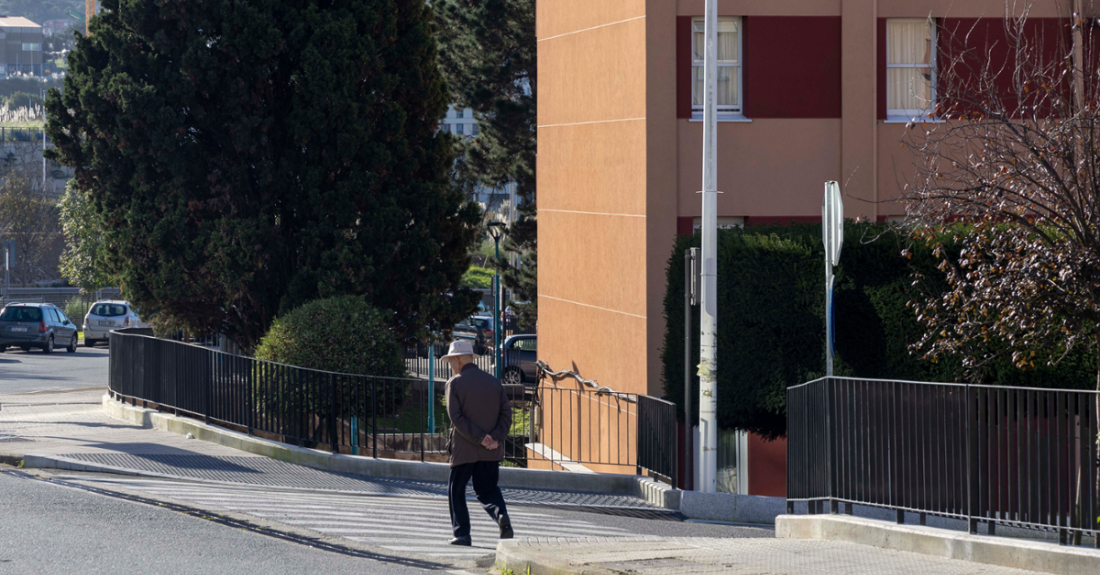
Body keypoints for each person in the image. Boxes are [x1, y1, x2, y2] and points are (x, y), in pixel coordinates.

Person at [441, 339, 514, 546]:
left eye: (450, 362)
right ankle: (500, 515)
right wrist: (495, 438)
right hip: (491, 451)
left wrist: (480, 438)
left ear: (457, 360)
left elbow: (456, 418)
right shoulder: (493, 382)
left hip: (465, 450)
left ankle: (462, 534)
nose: (450, 366)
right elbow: (506, 415)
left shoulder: (454, 383)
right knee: (487, 489)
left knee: (456, 490)